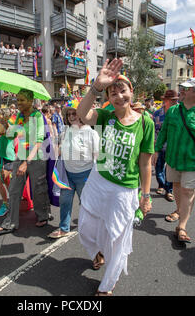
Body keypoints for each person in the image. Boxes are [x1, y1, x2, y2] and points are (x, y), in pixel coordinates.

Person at [76, 60, 154, 296]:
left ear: (132, 92)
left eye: (123, 90)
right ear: (108, 96)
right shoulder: (104, 117)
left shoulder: (145, 122)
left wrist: (146, 195)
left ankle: (108, 284)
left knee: (117, 238)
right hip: (98, 181)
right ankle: (97, 252)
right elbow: (81, 114)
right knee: (86, 229)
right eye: (113, 92)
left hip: (124, 189)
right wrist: (96, 88)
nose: (119, 96)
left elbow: (145, 162)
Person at [153, 78, 195, 243]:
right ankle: (179, 210)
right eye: (182, 87)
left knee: (188, 191)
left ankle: (182, 226)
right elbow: (164, 131)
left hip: (194, 161)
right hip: (173, 159)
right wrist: (156, 150)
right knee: (176, 187)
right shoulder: (173, 111)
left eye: (186, 88)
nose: (181, 90)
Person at [0, 89, 52, 235]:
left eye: (22, 100)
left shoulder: (36, 116)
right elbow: (13, 136)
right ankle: (10, 223)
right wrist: (6, 124)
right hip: (21, 156)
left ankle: (43, 215)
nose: (18, 103)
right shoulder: (19, 116)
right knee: (13, 189)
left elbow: (38, 141)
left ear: (31, 101)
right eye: (17, 100)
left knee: (38, 189)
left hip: (36, 158)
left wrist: (26, 163)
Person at [48, 106, 100, 239]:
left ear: (82, 115)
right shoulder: (66, 131)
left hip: (85, 176)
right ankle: (64, 228)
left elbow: (98, 156)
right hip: (67, 175)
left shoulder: (91, 133)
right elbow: (60, 150)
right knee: (65, 201)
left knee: (86, 204)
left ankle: (91, 231)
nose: (71, 116)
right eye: (69, 114)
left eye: (74, 113)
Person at [153, 90, 179, 204]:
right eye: (172, 100)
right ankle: (161, 184)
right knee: (159, 167)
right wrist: (154, 142)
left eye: (176, 99)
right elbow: (153, 129)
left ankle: (169, 190)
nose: (175, 102)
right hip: (159, 144)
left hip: (174, 144)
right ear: (165, 100)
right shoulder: (157, 113)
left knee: (171, 169)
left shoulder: (180, 112)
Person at [0, 108, 16, 217]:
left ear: (4, 116)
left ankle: (6, 204)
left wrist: (6, 123)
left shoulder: (9, 126)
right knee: (7, 182)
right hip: (1, 158)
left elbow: (12, 135)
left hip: (8, 159)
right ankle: (13, 202)